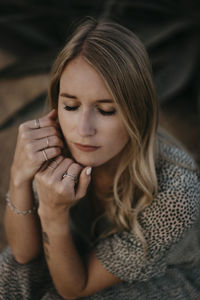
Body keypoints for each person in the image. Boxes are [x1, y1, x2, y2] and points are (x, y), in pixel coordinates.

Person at [0, 17, 200, 300]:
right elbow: (22, 255)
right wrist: (19, 176)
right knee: (8, 273)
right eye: (71, 105)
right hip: (83, 246)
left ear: (137, 113)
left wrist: (53, 215)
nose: (83, 130)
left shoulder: (176, 192)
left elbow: (74, 289)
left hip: (169, 277)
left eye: (106, 110)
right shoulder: (57, 140)